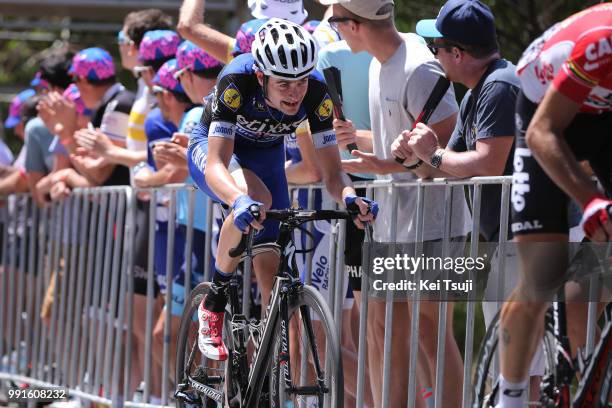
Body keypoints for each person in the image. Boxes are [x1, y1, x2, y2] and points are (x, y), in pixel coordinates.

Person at [187, 18, 377, 361]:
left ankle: (267, 352)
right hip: (216, 149)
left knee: (271, 263)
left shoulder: (317, 93)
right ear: (261, 77)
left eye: (301, 81)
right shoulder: (237, 80)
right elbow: (217, 161)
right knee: (255, 200)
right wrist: (237, 198)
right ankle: (213, 302)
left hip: (266, 155)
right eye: (284, 84)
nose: (295, 92)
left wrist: (350, 198)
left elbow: (332, 172)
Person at [322, 0, 470, 406]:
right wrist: (361, 140)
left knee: (431, 331)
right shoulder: (376, 62)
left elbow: (445, 149)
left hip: (434, 219)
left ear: (355, 25)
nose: (333, 30)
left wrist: (384, 162)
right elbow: (399, 144)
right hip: (394, 219)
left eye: (335, 21)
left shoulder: (418, 66)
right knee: (384, 326)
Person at [493, 4, 612, 407]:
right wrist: (591, 199)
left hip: (605, 117)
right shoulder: (602, 43)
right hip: (547, 116)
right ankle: (511, 396)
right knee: (543, 274)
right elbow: (544, 131)